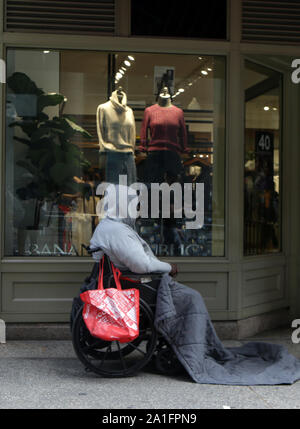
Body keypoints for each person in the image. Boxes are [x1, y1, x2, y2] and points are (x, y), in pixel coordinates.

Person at [90, 184, 178, 276]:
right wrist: (169, 267)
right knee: (188, 291)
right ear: (124, 205)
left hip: (130, 282)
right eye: (134, 204)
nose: (137, 209)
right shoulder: (117, 231)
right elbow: (142, 265)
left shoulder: (106, 225)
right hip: (139, 284)